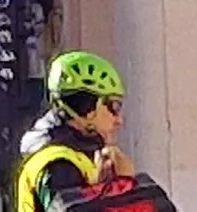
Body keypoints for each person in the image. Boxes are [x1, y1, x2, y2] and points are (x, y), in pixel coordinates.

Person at [15, 51, 137, 212]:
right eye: (114, 107)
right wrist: (123, 183)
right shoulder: (59, 166)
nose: (119, 120)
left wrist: (102, 186)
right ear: (90, 109)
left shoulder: (69, 158)